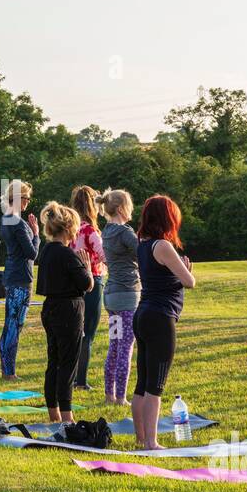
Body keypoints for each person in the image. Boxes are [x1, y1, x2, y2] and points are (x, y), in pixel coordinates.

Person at [131, 195, 196, 450]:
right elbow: (189, 282)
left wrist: (180, 271)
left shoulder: (143, 244)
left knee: (142, 382)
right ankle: (151, 441)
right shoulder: (163, 246)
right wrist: (187, 270)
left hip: (143, 314)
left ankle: (140, 438)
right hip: (160, 317)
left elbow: (164, 277)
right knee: (155, 385)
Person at [36, 202, 93, 424]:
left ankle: (54, 413)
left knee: (54, 361)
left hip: (50, 308)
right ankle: (68, 417)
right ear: (69, 229)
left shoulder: (47, 250)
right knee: (69, 364)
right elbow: (87, 284)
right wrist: (86, 268)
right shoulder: (68, 255)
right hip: (69, 310)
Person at [97, 188, 139, 405]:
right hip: (126, 296)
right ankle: (121, 397)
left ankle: (109, 395)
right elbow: (143, 254)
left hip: (111, 296)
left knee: (114, 344)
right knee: (126, 347)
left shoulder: (107, 231)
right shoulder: (124, 232)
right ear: (122, 208)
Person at [0, 179, 40, 380]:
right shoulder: (18, 222)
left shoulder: (6, 218)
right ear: (18, 198)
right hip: (21, 277)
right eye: (26, 198)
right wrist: (37, 234)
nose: (28, 203)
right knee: (15, 324)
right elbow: (32, 253)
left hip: (12, 274)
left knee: (10, 324)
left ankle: (7, 370)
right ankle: (9, 372)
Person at [70, 185, 106, 391]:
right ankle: (80, 381)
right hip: (93, 281)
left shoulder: (71, 230)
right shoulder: (90, 231)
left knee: (75, 332)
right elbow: (104, 255)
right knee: (88, 334)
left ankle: (71, 376)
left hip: (73, 283)